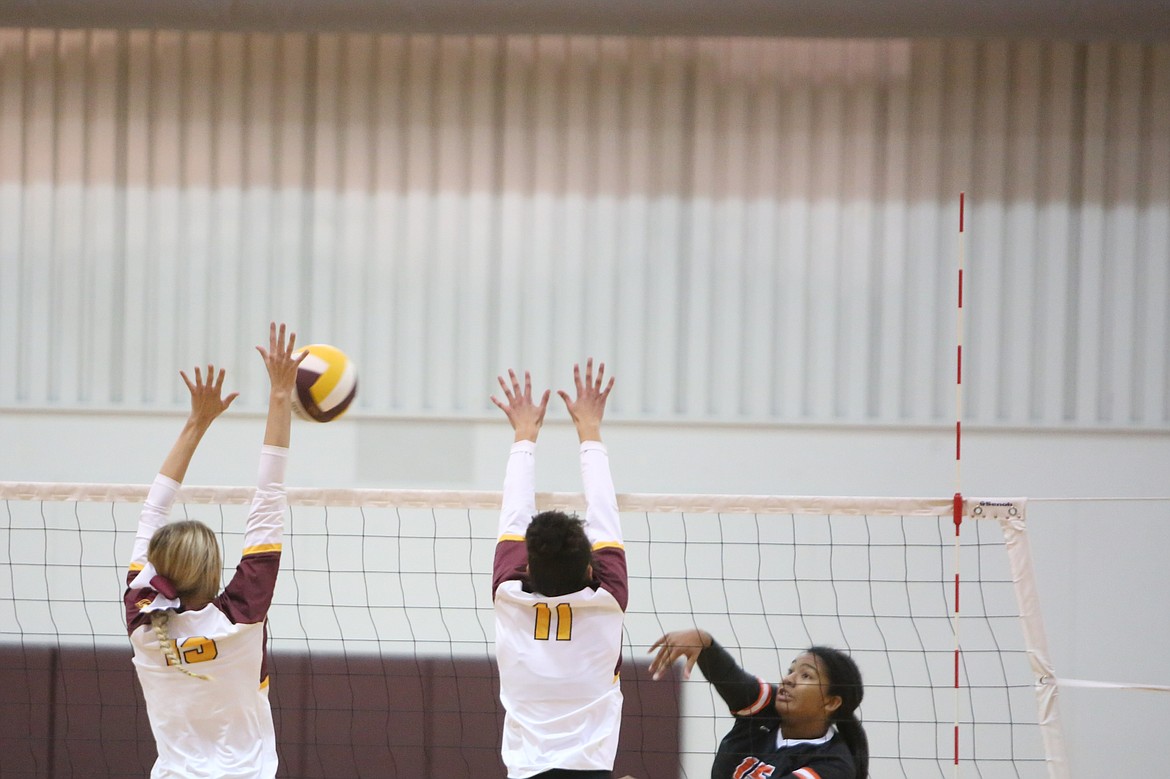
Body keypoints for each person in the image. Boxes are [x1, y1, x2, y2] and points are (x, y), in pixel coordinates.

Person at [123, 322, 304, 779]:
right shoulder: (240, 617)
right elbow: (268, 498)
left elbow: (151, 511)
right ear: (212, 570)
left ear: (159, 565)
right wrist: (281, 395)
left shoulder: (142, 617)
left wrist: (196, 421)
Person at [490, 359, 627, 779]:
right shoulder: (608, 599)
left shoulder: (510, 597)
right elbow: (604, 509)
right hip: (590, 770)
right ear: (592, 569)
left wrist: (523, 437)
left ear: (527, 566)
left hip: (526, 772)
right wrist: (590, 431)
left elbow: (515, 516)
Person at [648, 629, 868, 779]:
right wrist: (704, 641)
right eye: (790, 671)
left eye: (806, 676)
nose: (788, 679)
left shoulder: (834, 763)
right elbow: (734, 681)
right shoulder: (766, 710)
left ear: (831, 702)